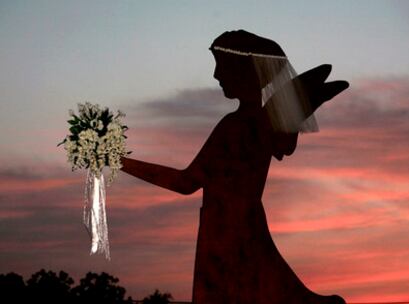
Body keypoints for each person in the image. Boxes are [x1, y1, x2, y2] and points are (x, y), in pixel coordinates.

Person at [120, 30, 349, 304]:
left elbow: (186, 183)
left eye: (222, 66)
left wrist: (119, 161)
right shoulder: (261, 122)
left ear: (244, 71)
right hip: (240, 227)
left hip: (226, 233)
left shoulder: (236, 126)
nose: (216, 75)